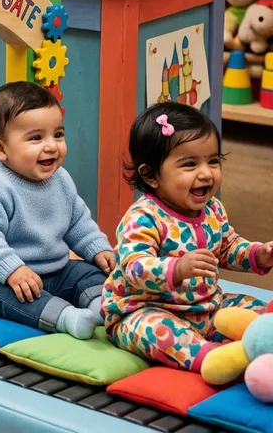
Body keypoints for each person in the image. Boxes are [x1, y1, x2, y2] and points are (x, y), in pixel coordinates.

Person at [104, 102, 273, 371]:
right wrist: (177, 268)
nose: (206, 173)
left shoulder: (212, 209)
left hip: (206, 308)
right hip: (144, 310)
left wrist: (257, 255)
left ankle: (260, 343)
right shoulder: (143, 217)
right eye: (190, 164)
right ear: (150, 176)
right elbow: (134, 268)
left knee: (258, 310)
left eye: (213, 161)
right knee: (158, 331)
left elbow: (227, 246)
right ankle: (209, 359)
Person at [0, 82, 115, 340]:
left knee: (91, 273)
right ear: (0, 148)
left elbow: (77, 221)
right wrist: (12, 270)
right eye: (36, 138)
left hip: (55, 270)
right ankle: (64, 317)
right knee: (11, 298)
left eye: (58, 135)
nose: (51, 146)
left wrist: (99, 249)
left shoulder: (60, 179)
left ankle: (101, 307)